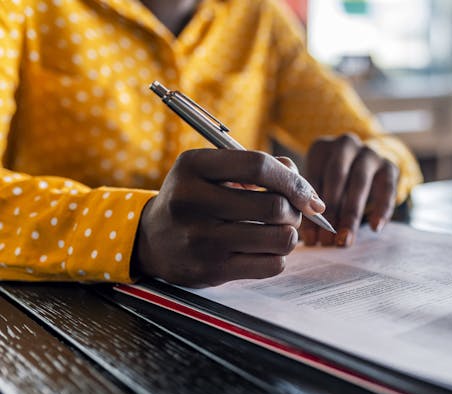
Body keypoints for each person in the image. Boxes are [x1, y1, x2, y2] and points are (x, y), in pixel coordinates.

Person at [0, 0, 422, 287]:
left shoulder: (257, 18)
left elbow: (383, 143)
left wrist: (379, 162)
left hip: (234, 313)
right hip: (60, 314)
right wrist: (136, 230)